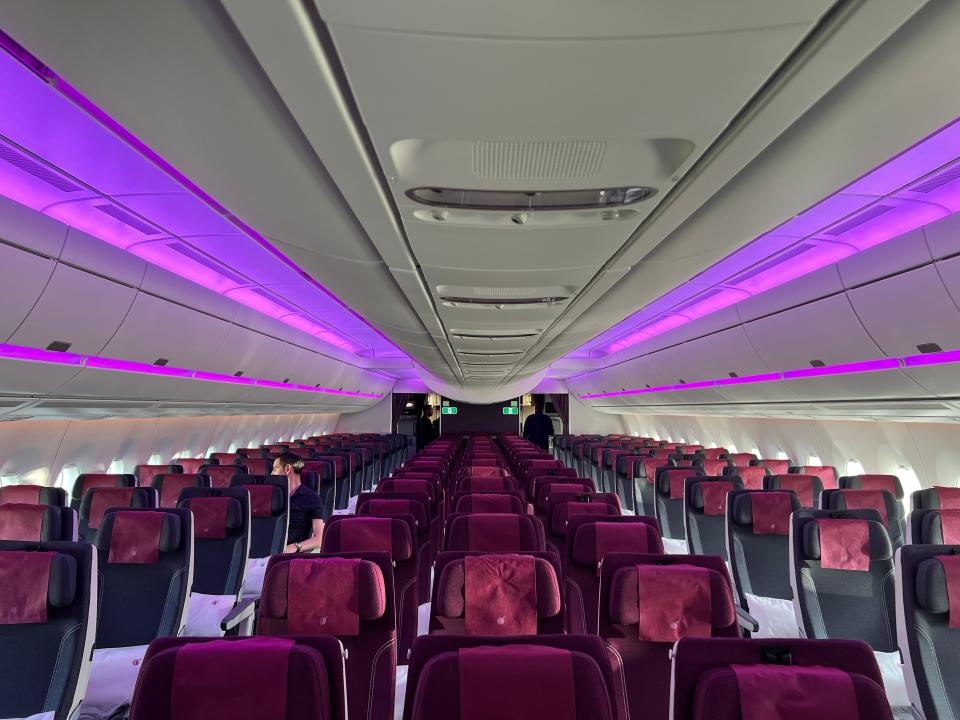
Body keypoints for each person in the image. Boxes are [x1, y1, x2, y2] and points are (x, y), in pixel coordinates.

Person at [273, 452, 325, 553]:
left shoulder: (312, 498)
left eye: (275, 469)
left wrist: (294, 547)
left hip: (287, 555)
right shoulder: (270, 496)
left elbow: (319, 539)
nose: (271, 473)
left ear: (287, 469)